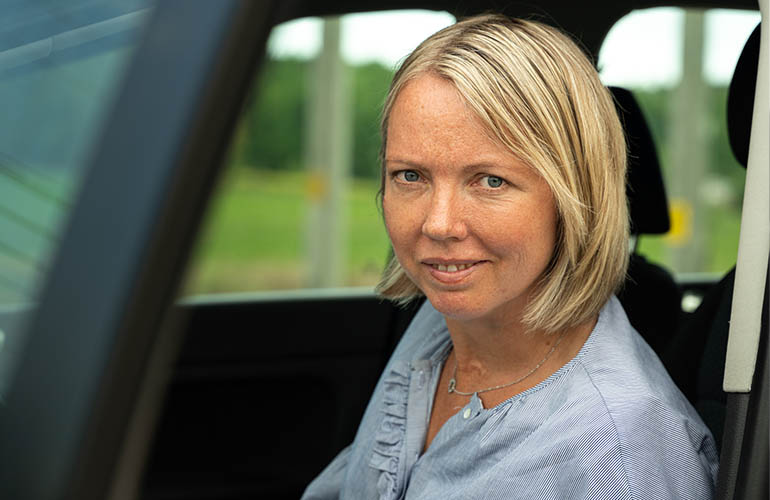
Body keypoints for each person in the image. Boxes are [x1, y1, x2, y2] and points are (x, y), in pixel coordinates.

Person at [302, 14, 718, 500]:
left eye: (490, 180)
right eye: (410, 175)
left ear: (574, 197)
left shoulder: (619, 459)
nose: (438, 224)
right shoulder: (446, 322)